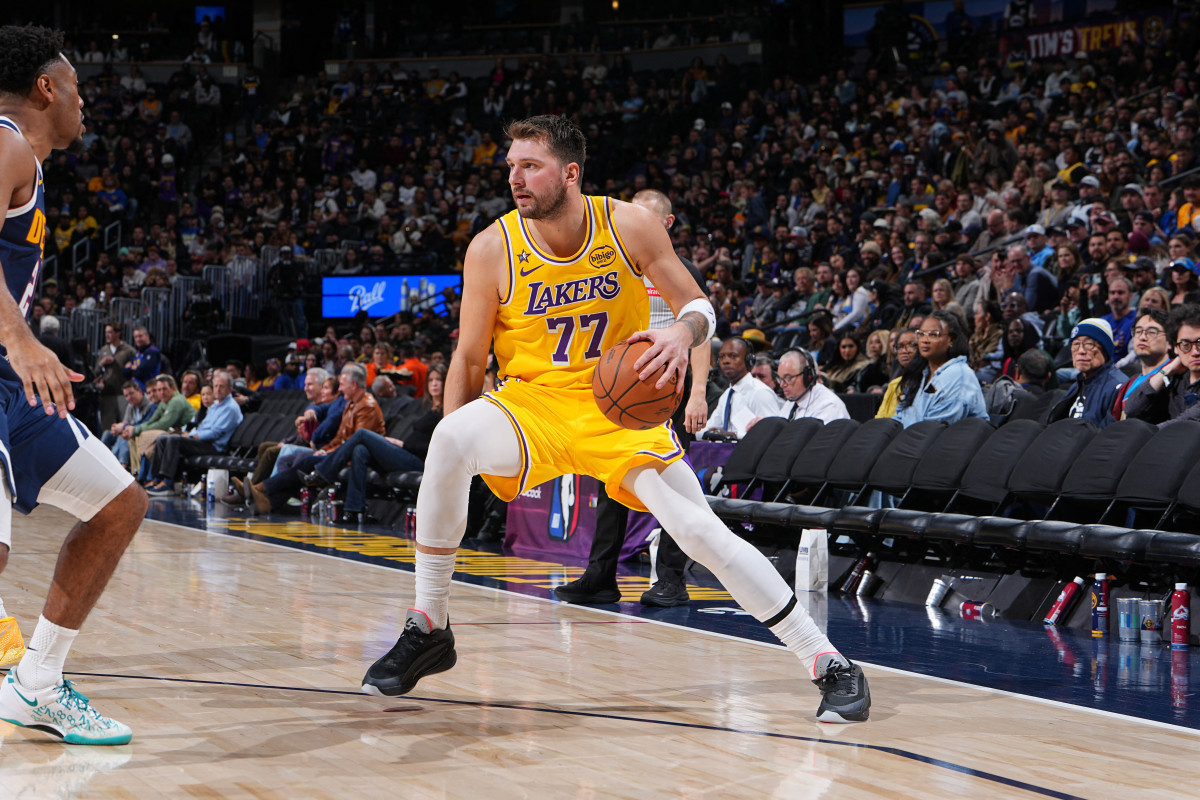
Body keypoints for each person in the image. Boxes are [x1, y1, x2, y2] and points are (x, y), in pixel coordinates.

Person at [360, 116, 870, 723]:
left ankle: (827, 661)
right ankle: (429, 625)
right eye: (510, 166)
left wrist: (682, 332)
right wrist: (451, 468)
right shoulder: (491, 248)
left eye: (530, 166)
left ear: (570, 173)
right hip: (533, 406)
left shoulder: (628, 223)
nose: (515, 179)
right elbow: (469, 358)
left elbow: (699, 304)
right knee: (449, 437)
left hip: (617, 410)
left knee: (696, 530)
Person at [0, 26, 147, 745]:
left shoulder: (23, 160)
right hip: (4, 365)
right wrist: (21, 338)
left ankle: (37, 685)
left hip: (9, 388)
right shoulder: (3, 141)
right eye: (78, 86)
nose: (85, 102)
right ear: (45, 88)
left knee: (119, 505)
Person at [554, 188, 712, 608]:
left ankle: (672, 580)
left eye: (646, 218)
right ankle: (601, 576)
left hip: (669, 395)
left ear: (667, 224)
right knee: (612, 485)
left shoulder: (682, 268)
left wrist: (697, 394)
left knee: (674, 489)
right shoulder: (611, 266)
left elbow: (702, 334)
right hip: (621, 391)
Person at [301, 364, 446, 525]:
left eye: (438, 380)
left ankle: (322, 474)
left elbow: (436, 447)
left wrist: (403, 445)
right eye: (431, 379)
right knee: (360, 450)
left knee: (362, 435)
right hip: (407, 453)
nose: (434, 383)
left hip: (419, 461)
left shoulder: (446, 411)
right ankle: (354, 511)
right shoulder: (430, 408)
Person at [144, 370, 243, 494]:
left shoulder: (230, 408)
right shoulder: (216, 406)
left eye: (221, 386)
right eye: (216, 386)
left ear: (229, 389)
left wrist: (194, 435)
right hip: (203, 441)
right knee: (163, 438)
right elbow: (203, 425)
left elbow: (216, 433)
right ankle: (156, 478)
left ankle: (167, 483)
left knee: (174, 440)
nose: (217, 389)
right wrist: (189, 434)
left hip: (214, 446)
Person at [893, 311, 987, 428]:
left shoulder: (958, 374)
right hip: (914, 440)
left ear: (951, 339)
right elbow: (901, 416)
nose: (924, 340)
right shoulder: (922, 374)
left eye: (933, 335)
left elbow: (936, 428)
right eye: (921, 334)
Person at [1124, 304, 1200, 425]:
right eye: (1186, 345)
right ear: (1176, 348)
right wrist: (1167, 370)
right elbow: (1132, 410)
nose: (1195, 352)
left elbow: (1184, 424)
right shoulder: (1175, 380)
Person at [1048, 318, 1125, 430]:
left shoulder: (1118, 386)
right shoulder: (1078, 383)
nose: (1081, 351)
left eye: (1089, 344)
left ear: (1105, 350)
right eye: (1076, 344)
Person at [702, 337, 782, 439]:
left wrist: (735, 436)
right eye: (722, 357)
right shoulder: (727, 394)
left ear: (748, 360)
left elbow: (773, 435)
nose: (726, 361)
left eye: (733, 356)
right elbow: (709, 428)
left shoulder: (760, 392)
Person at [1112, 308, 1170, 419]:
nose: (1142, 337)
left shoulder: (1174, 379)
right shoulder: (1128, 382)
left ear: (1170, 341)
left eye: (1152, 332)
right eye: (1138, 331)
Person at [767, 349, 849, 423]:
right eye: (780, 379)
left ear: (808, 376)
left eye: (788, 378)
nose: (782, 385)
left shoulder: (829, 406)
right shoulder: (791, 402)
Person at [876, 329, 918, 418]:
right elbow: (879, 419)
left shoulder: (927, 383)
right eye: (900, 346)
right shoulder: (894, 385)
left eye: (912, 345)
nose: (905, 351)